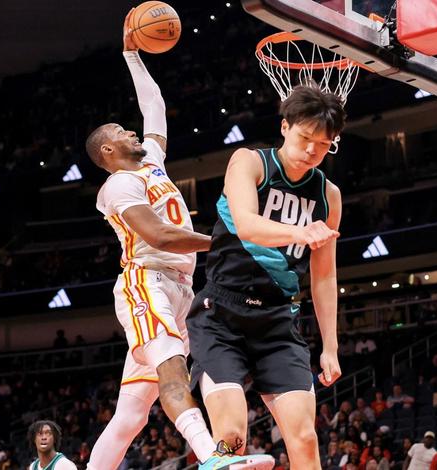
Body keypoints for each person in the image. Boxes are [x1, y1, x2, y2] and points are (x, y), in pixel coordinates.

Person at [85, 10, 273, 470]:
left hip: (180, 287)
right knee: (173, 370)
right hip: (146, 282)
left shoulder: (151, 162)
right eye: (120, 132)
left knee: (131, 416)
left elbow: (154, 103)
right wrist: (224, 242)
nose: (132, 131)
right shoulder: (118, 186)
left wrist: (131, 54)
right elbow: (159, 234)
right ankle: (212, 458)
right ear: (108, 150)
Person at [186, 84, 346, 469]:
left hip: (277, 322)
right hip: (221, 316)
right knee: (231, 438)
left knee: (305, 439)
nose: (312, 150)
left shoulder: (329, 195)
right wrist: (300, 233)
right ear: (285, 127)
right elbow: (246, 224)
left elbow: (324, 276)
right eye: (305, 138)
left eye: (323, 145)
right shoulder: (249, 163)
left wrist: (330, 346)